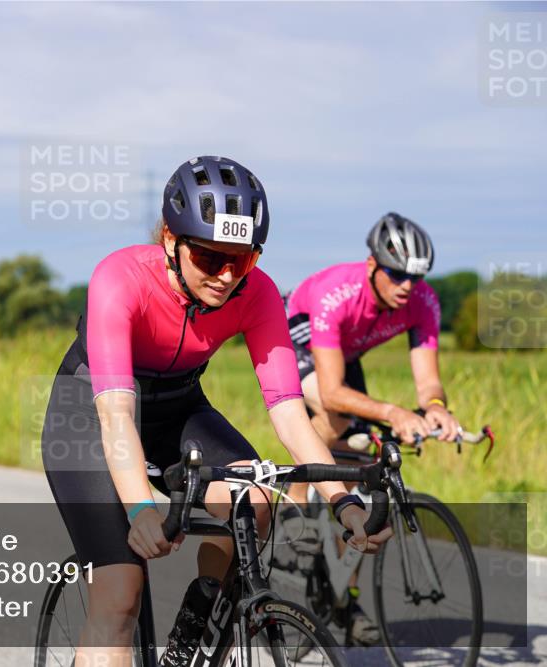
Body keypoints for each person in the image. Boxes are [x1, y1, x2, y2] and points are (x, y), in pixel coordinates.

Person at [41, 156, 389, 667]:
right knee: (120, 594)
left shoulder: (258, 292)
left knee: (255, 502)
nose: (226, 277)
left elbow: (290, 411)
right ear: (169, 239)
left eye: (242, 260)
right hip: (91, 414)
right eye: (209, 258)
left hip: (177, 407)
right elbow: (116, 415)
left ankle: (192, 640)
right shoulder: (120, 278)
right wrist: (140, 510)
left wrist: (344, 503)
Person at [282, 212, 461, 643]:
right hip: (298, 340)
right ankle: (296, 500)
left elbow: (428, 379)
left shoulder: (424, 302)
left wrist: (435, 407)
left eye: (415, 278)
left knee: (365, 475)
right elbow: (331, 391)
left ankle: (345, 596)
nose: (406, 285)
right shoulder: (335, 294)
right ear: (372, 266)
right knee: (339, 415)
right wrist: (395, 412)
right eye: (397, 274)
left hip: (347, 353)